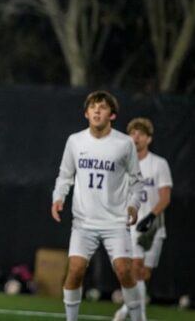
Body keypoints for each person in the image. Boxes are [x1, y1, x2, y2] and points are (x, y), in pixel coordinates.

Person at [52, 90, 145, 321]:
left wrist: (133, 204)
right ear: (86, 113)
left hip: (115, 221)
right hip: (84, 222)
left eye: (102, 107)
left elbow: (136, 181)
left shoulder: (124, 144)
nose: (96, 110)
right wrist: (58, 197)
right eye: (93, 106)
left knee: (124, 270)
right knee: (74, 270)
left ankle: (137, 318)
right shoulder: (75, 141)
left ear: (112, 115)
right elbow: (65, 175)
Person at [112, 118, 172, 321]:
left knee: (143, 274)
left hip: (154, 227)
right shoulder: (123, 164)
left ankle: (125, 311)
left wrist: (151, 216)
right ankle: (141, 318)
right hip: (131, 226)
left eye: (141, 134)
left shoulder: (159, 164)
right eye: (133, 133)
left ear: (149, 139)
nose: (136, 137)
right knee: (135, 267)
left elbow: (165, 197)